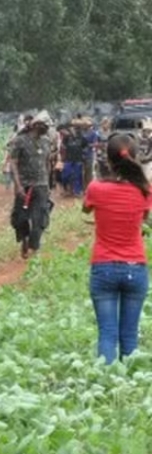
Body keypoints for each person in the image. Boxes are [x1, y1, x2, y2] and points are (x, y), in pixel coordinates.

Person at [82, 133, 152, 364]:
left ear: (108, 160)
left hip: (103, 268)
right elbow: (144, 217)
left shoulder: (96, 188)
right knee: (129, 336)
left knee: (107, 333)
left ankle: (105, 385)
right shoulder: (144, 189)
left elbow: (86, 209)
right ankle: (128, 389)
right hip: (135, 268)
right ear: (134, 157)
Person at [10, 111, 54, 259]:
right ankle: (24, 239)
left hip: (41, 186)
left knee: (39, 218)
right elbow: (14, 163)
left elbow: (47, 163)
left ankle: (34, 247)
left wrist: (48, 185)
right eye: (45, 126)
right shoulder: (20, 141)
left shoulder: (47, 141)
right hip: (24, 186)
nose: (47, 129)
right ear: (37, 125)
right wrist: (18, 185)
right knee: (21, 218)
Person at [61, 125, 87, 197]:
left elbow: (86, 146)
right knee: (65, 175)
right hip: (68, 159)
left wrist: (83, 154)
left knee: (77, 176)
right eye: (71, 128)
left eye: (75, 128)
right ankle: (66, 189)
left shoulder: (81, 138)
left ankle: (77, 191)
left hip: (78, 159)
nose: (73, 130)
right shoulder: (66, 138)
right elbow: (63, 146)